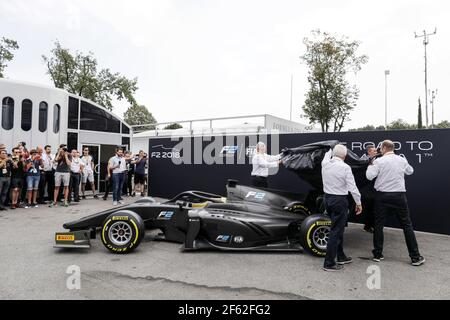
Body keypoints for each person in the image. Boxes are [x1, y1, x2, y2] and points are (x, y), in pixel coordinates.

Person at [366, 140, 425, 266]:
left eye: (381, 147)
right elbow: (410, 171)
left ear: (385, 148)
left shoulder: (378, 161)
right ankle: (415, 257)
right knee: (407, 225)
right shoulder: (402, 160)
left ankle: (377, 254)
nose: (379, 150)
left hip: (382, 196)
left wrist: (371, 164)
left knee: (378, 225)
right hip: (399, 196)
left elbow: (369, 176)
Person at [321, 144, 362, 272]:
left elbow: (327, 154)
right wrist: (358, 203)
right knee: (336, 231)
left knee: (338, 229)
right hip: (339, 201)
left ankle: (341, 256)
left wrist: (330, 148)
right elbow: (352, 187)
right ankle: (329, 263)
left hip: (327, 199)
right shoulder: (345, 167)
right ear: (345, 156)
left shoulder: (325, 163)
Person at [360, 145, 378, 233]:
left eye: (376, 150)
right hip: (367, 189)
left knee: (373, 209)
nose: (376, 152)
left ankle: (369, 226)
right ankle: (368, 226)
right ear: (369, 152)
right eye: (374, 151)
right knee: (369, 208)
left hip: (375, 188)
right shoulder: (363, 160)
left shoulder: (378, 160)